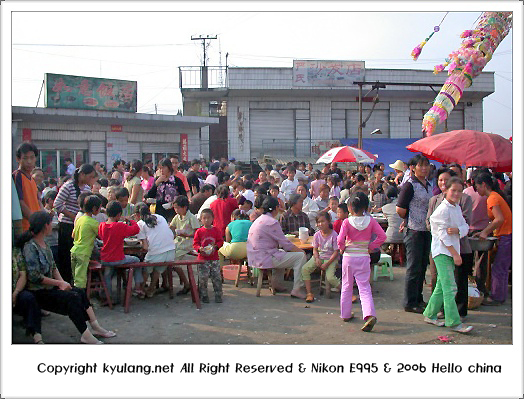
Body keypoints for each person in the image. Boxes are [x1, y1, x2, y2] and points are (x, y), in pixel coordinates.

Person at [17, 211, 115, 344]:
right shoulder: (30, 247)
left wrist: (62, 283)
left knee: (79, 291)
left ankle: (96, 327)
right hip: (37, 291)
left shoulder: (45, 245)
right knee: (72, 299)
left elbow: (53, 268)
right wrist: (59, 283)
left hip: (49, 287)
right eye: (50, 223)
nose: (52, 225)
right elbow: (34, 276)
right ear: (45, 226)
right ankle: (85, 334)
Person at [423, 177, 473, 333]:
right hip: (443, 252)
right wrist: (455, 254)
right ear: (445, 190)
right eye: (453, 190)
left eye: (459, 191)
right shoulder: (442, 210)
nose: (456, 194)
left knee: (441, 286)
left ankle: (430, 314)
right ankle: (453, 321)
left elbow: (465, 226)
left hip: (450, 252)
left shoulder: (456, 207)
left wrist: (458, 230)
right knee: (450, 287)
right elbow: (442, 235)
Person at [337, 192, 386, 332]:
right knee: (364, 287)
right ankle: (369, 314)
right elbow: (382, 236)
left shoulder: (346, 222)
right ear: (366, 207)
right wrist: (371, 246)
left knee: (346, 285)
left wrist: (342, 249)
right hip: (363, 256)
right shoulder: (371, 221)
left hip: (348, 257)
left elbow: (340, 240)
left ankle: (345, 314)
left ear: (350, 207)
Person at [247, 196, 307, 298]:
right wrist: (301, 251)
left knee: (280, 252)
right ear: (275, 208)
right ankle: (297, 289)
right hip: (265, 257)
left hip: (254, 257)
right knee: (300, 257)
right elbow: (286, 245)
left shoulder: (259, 219)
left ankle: (277, 283)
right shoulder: (272, 222)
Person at [396, 154, 433, 314]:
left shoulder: (428, 184)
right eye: (420, 165)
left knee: (422, 266)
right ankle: (410, 302)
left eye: (426, 165)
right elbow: (400, 208)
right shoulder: (409, 185)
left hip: (426, 230)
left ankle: (418, 298)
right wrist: (409, 218)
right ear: (413, 168)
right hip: (414, 230)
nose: (424, 168)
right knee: (413, 267)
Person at [54, 163, 97, 284]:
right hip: (67, 225)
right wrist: (74, 217)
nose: (91, 180)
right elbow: (57, 205)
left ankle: (76, 282)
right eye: (90, 176)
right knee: (66, 257)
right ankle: (65, 282)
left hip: (80, 226)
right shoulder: (68, 186)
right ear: (82, 174)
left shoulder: (87, 189)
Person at [474, 172, 512, 306]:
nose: (476, 190)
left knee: (498, 268)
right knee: (501, 267)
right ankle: (499, 295)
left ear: (483, 185)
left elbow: (499, 219)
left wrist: (485, 232)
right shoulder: (495, 196)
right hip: (507, 234)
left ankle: (497, 297)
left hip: (507, 235)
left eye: (477, 186)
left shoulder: (492, 198)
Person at [98, 201, 142, 299]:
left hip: (104, 258)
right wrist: (131, 220)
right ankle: (138, 287)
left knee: (108, 274)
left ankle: (107, 296)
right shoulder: (119, 226)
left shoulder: (101, 226)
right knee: (137, 260)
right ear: (119, 214)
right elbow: (136, 229)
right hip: (117, 258)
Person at [134, 203, 176, 298]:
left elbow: (145, 247)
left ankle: (140, 289)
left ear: (137, 215)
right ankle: (151, 289)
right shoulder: (160, 217)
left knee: (146, 268)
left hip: (157, 253)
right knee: (157, 268)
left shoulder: (140, 223)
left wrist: (140, 242)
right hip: (171, 251)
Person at [463, 169, 491, 295]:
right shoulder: (488, 194)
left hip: (468, 230)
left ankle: (466, 288)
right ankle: (480, 289)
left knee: (466, 261)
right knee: (481, 263)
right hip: (484, 230)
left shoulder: (466, 192)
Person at [301, 212, 340, 303]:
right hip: (319, 256)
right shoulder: (317, 235)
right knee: (305, 269)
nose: (320, 224)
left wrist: (327, 263)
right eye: (318, 222)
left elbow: (336, 252)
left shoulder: (334, 235)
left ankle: (347, 293)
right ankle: (309, 293)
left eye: (323, 221)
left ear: (329, 221)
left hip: (331, 259)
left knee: (330, 278)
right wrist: (317, 258)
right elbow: (314, 249)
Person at [12, 245, 43, 344]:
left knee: (29, 298)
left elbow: (22, 274)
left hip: (15, 291)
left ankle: (36, 334)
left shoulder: (15, 252)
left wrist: (15, 292)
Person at [169, 195, 199, 295]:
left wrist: (186, 234)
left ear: (185, 207)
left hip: (188, 242)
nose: (176, 210)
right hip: (178, 241)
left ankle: (186, 283)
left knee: (173, 261)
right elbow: (171, 227)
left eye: (177, 207)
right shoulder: (177, 217)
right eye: (175, 208)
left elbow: (197, 234)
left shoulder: (191, 217)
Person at [193, 209, 224, 303]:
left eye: (208, 218)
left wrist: (216, 247)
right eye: (204, 218)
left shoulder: (216, 230)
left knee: (217, 278)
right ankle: (204, 295)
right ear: (201, 220)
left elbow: (220, 241)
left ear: (212, 219)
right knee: (203, 279)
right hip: (202, 259)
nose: (206, 220)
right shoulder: (199, 231)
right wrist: (199, 249)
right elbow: (195, 244)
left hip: (214, 258)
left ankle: (218, 295)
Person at [71, 195, 102, 289]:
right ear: (94, 208)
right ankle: (81, 300)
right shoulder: (93, 222)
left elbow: (73, 235)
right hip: (83, 253)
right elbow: (102, 236)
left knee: (75, 277)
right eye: (100, 208)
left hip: (74, 251)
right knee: (80, 280)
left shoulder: (80, 219)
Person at [145, 158, 187, 222]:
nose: (161, 170)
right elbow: (149, 195)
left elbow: (183, 196)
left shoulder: (176, 181)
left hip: (172, 211)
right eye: (160, 168)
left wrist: (173, 203)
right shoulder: (157, 180)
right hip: (159, 210)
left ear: (169, 168)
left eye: (163, 168)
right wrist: (156, 184)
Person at [13, 142, 43, 232]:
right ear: (18, 159)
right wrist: (34, 221)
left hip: (35, 227)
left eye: (32, 157)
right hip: (25, 227)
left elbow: (38, 202)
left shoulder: (32, 179)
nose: (29, 161)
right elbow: (20, 202)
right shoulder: (17, 176)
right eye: (25, 158)